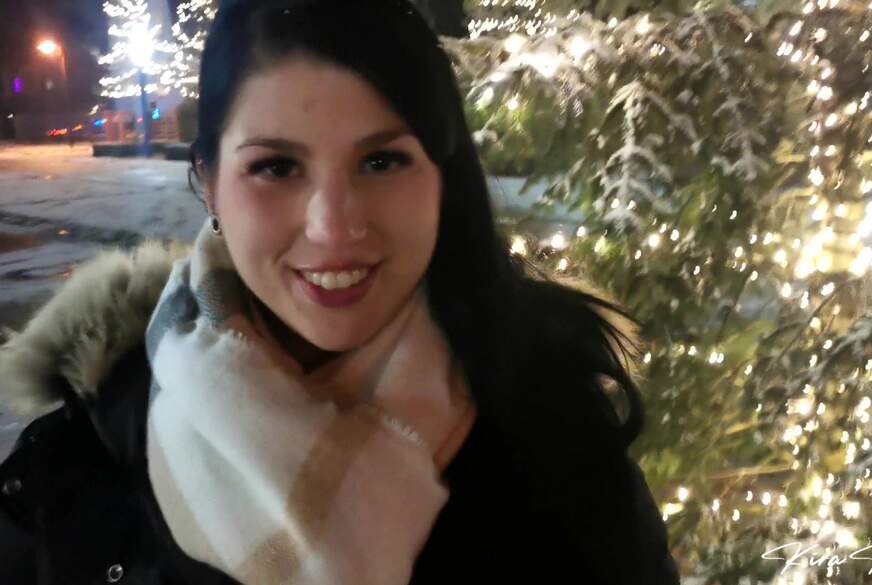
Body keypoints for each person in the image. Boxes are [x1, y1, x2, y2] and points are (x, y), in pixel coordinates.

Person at [0, 0, 681, 583]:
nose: (333, 227)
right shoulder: (87, 449)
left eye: (381, 160)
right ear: (208, 181)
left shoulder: (559, 447)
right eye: (276, 166)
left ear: (442, 176)